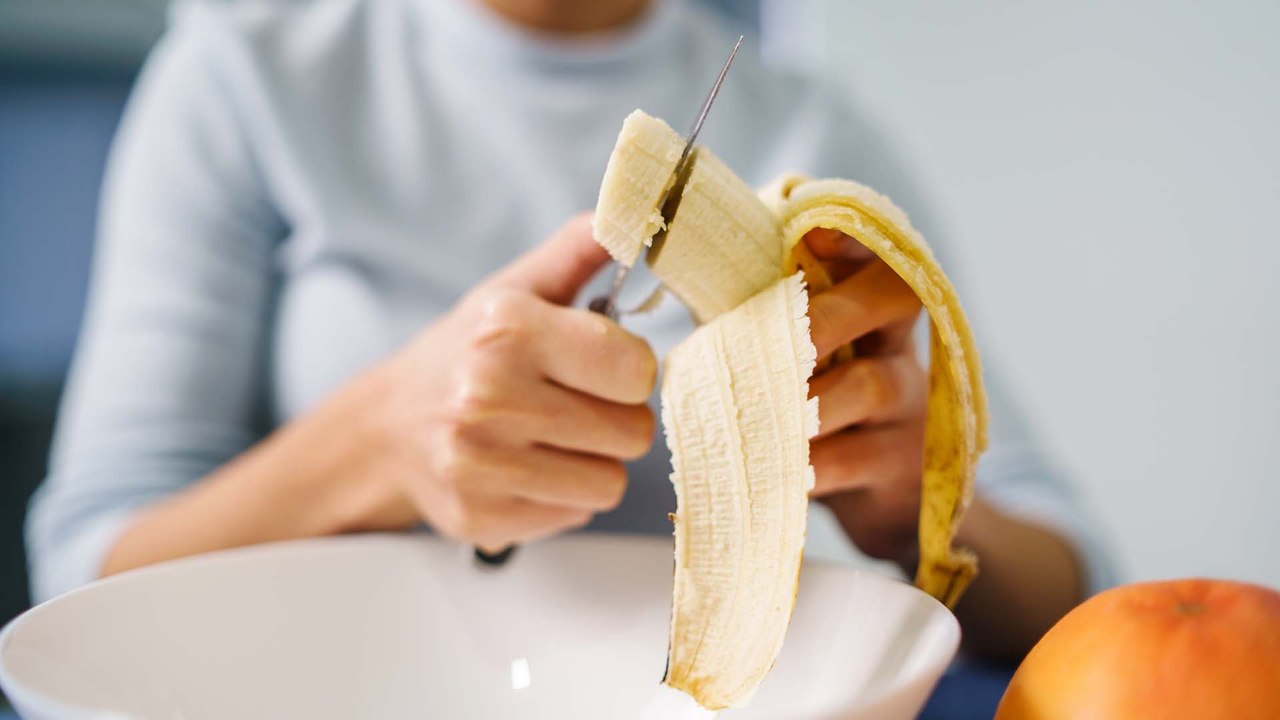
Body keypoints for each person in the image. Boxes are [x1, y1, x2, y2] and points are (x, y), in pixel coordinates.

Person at [28, 0, 1111, 660]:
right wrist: (380, 445)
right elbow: (80, 578)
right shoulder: (240, 76)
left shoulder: (809, 124)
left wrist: (911, 500)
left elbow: (1069, 590)